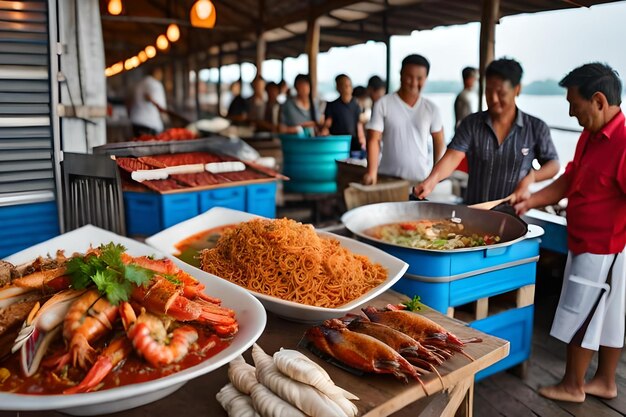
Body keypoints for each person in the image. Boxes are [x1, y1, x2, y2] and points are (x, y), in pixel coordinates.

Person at [515, 63, 626, 403]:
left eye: (574, 105)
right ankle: (605, 382)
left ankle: (571, 385)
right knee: (608, 319)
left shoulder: (623, 140)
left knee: (581, 315)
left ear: (598, 100)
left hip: (604, 245)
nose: (571, 113)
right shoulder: (591, 135)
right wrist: (530, 200)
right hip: (594, 244)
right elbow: (569, 179)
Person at [414, 58, 560, 204]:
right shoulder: (472, 124)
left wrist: (532, 178)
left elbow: (553, 164)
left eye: (501, 93)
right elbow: (453, 157)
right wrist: (431, 181)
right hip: (474, 212)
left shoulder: (535, 127)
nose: (494, 99)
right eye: (489, 92)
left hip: (514, 212)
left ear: (517, 89)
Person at [363, 54, 444, 185]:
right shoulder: (383, 104)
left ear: (426, 79)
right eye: (409, 77)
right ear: (400, 74)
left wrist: (435, 175)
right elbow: (373, 139)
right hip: (387, 179)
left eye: (419, 78)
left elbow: (439, 141)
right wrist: (372, 173)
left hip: (419, 181)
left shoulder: (431, 108)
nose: (414, 83)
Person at [321, 74, 365, 156]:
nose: (347, 88)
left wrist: (362, 140)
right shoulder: (332, 105)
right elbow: (327, 124)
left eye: (349, 85)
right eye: (344, 86)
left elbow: (359, 125)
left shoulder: (356, 105)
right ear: (338, 88)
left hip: (353, 143)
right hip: (337, 144)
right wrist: (324, 132)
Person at [129, 67, 167, 137]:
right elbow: (161, 107)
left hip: (136, 122)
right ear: (156, 72)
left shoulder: (139, 84)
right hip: (150, 124)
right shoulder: (156, 85)